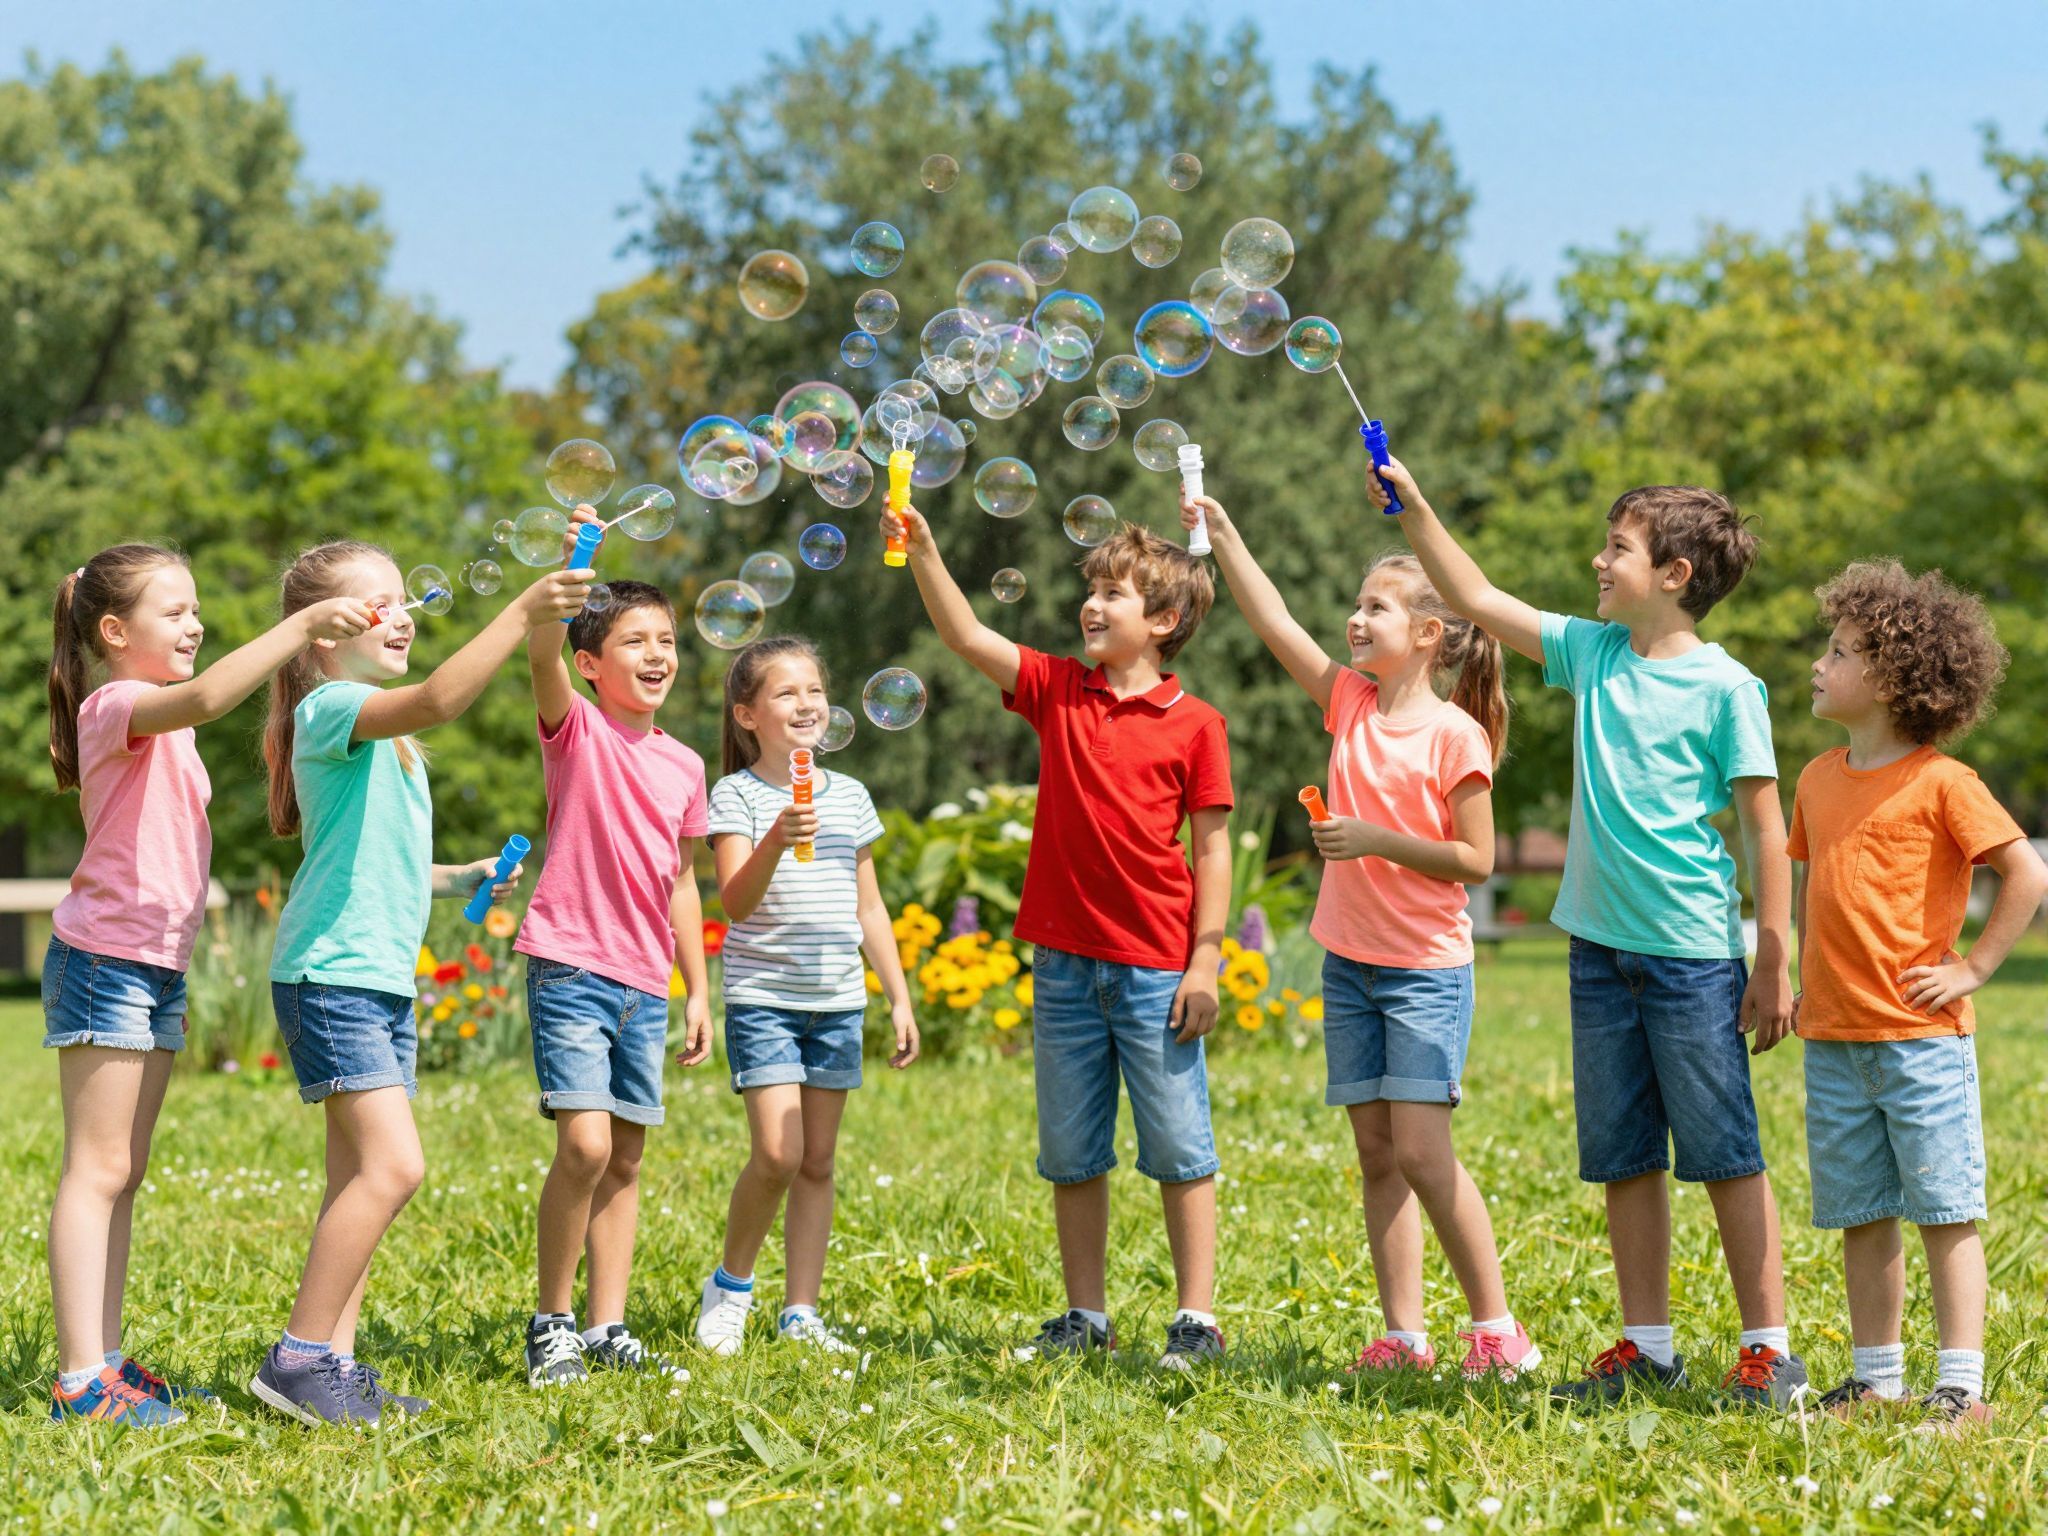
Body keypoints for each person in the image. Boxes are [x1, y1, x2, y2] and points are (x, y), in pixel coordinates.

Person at [1375, 458, 1808, 1408]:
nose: (1598, 562)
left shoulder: (1729, 690)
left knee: (1725, 1150)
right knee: (1624, 1155)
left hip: (1694, 958)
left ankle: (1769, 1349)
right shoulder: (1593, 653)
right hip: (1598, 954)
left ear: (1674, 575)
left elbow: (1765, 829)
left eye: (1617, 549)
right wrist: (1416, 511)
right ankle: (1647, 1344)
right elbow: (1475, 594)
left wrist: (1772, 954)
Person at [1181, 491, 1539, 1381]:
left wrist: (1375, 839)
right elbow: (1275, 625)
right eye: (1357, 601)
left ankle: (1497, 1329)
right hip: (1352, 964)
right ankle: (1403, 1333)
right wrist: (1225, 535)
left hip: (1422, 971)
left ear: (1427, 634)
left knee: (1422, 1150)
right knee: (1376, 1152)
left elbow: (1478, 859)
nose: (1353, 616)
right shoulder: (1347, 702)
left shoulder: (1456, 736)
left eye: (1375, 605)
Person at [882, 501, 1233, 1368]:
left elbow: (1213, 850)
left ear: (1164, 620)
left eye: (1114, 592)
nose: (1093, 604)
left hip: (1156, 968)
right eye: (1093, 590)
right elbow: (965, 635)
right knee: (1073, 1152)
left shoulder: (1198, 726)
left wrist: (1207, 960)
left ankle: (1196, 1318)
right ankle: (1088, 1317)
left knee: (1181, 1148)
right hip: (1067, 966)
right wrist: (925, 549)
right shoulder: (1057, 689)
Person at [251, 540, 586, 1425]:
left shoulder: (379, 740)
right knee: (396, 1168)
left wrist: (458, 875)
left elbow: (377, 858)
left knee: (354, 1177)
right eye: (377, 605)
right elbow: (439, 697)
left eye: (405, 601)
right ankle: (297, 1358)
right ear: (323, 636)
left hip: (371, 977)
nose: (402, 616)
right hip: (333, 977)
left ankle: (335, 1366)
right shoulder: (330, 705)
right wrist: (520, 614)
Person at [43, 544, 369, 1425]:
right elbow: (208, 694)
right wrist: (300, 625)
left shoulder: (159, 720)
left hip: (151, 966)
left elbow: (197, 707)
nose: (195, 625)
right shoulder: (117, 704)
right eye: (174, 612)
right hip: (106, 961)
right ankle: (80, 1382)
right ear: (114, 633)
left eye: (197, 611)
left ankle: (104, 1363)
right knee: (98, 1168)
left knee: (126, 1169)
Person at [1791, 560, 2047, 1431]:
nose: (1819, 665)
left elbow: (2026, 873)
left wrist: (1973, 968)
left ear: (1895, 678)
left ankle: (1961, 1388)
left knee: (1944, 1210)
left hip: (1920, 1039)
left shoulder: (1945, 782)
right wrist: (1793, 978)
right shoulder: (1818, 778)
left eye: (1839, 651)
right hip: (1832, 1038)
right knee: (1862, 1215)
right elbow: (1810, 884)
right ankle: (1877, 1381)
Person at [515, 527, 711, 1387]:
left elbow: (682, 884)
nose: (658, 653)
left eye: (666, 640)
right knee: (586, 1148)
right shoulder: (579, 732)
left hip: (644, 980)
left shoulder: (685, 765)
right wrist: (566, 577)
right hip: (571, 964)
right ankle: (550, 1321)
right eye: (635, 640)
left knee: (626, 1157)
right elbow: (537, 653)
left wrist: (697, 985)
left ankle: (607, 1326)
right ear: (591, 663)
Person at [693, 635, 919, 1357]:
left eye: (815, 690)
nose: (806, 703)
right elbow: (734, 900)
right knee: (777, 1154)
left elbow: (870, 907)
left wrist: (899, 997)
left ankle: (801, 1310)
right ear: (746, 715)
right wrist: (774, 840)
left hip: (838, 1000)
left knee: (818, 1160)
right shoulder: (735, 796)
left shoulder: (849, 795)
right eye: (786, 693)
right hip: (764, 999)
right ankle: (731, 1287)